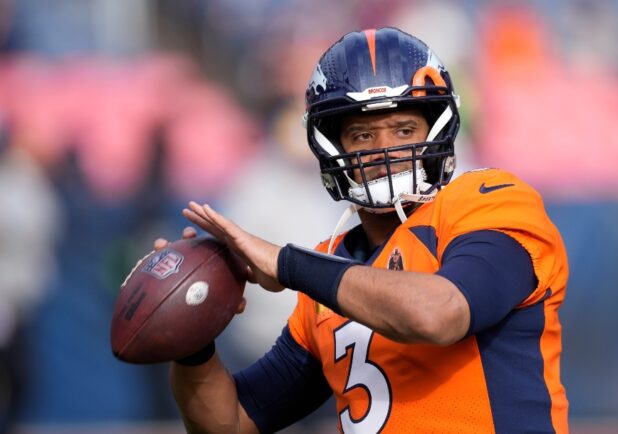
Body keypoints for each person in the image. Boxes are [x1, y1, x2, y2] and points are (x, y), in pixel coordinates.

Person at [159, 27, 569, 433]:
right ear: (332, 146)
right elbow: (230, 423)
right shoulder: (328, 272)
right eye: (363, 135)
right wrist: (194, 332)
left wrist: (287, 264)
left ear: (437, 130)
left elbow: (440, 314)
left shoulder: (490, 200)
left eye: (404, 130)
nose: (384, 149)